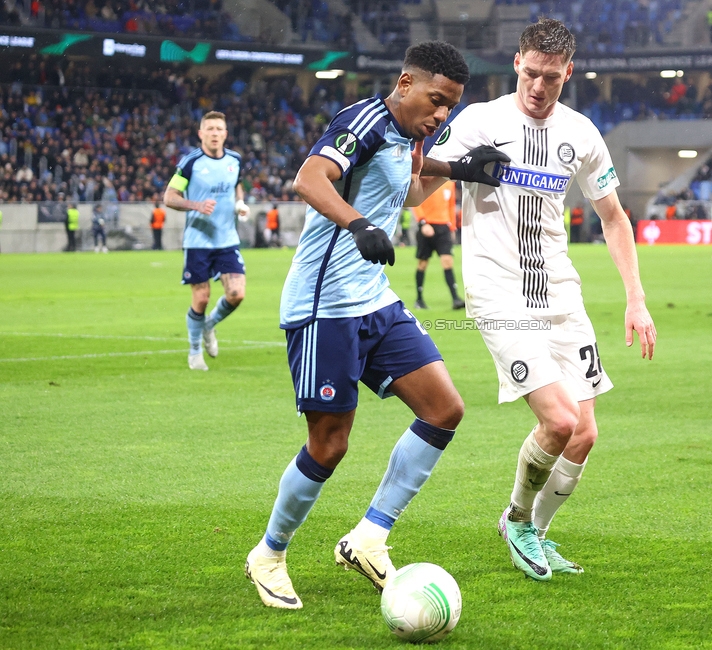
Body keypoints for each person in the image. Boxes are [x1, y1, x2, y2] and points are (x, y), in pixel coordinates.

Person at [244, 42, 508, 610]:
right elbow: (310, 179)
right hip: (324, 308)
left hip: (374, 302)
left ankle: (368, 538)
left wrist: (459, 170)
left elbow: (410, 187)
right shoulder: (363, 119)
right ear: (406, 82)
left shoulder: (413, 136)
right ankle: (268, 554)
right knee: (330, 444)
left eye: (451, 108)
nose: (442, 115)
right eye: (437, 101)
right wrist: (358, 222)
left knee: (444, 409)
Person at [425, 19, 656, 581]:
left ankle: (536, 532)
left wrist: (636, 299)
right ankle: (519, 520)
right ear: (516, 63)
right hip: (498, 291)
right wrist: (456, 168)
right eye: (531, 73)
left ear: (568, 73)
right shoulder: (478, 121)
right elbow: (414, 188)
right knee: (557, 421)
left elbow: (614, 219)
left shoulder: (582, 133)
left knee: (584, 433)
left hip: (560, 290)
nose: (538, 86)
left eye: (551, 77)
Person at [164, 111, 251, 371]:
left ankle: (209, 325)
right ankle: (194, 352)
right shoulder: (190, 163)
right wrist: (196, 205)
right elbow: (169, 196)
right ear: (201, 134)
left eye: (219, 129)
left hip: (227, 239)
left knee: (237, 294)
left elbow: (237, 185)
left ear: (225, 134)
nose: (214, 133)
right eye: (210, 129)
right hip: (198, 240)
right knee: (201, 298)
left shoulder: (235, 160)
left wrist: (240, 204)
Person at [412, 180, 464, 310]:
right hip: (427, 225)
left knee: (447, 261)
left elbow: (451, 205)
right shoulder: (425, 180)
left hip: (444, 227)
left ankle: (455, 298)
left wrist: (452, 227)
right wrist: (422, 222)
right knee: (422, 263)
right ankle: (419, 299)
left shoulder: (449, 183)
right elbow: (415, 202)